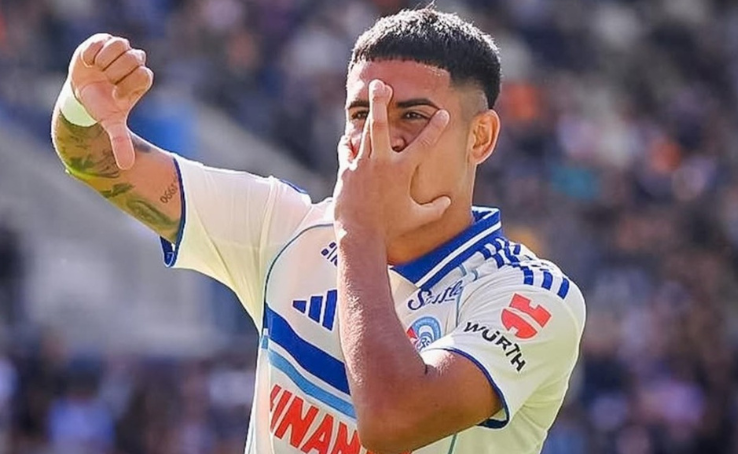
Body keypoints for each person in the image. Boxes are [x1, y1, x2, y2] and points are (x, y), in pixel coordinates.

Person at [50, 7, 586, 454]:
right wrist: (80, 100)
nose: (380, 136)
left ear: (481, 137)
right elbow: (96, 159)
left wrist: (359, 231)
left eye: (412, 115)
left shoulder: (531, 296)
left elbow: (393, 421)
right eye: (362, 113)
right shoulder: (284, 226)